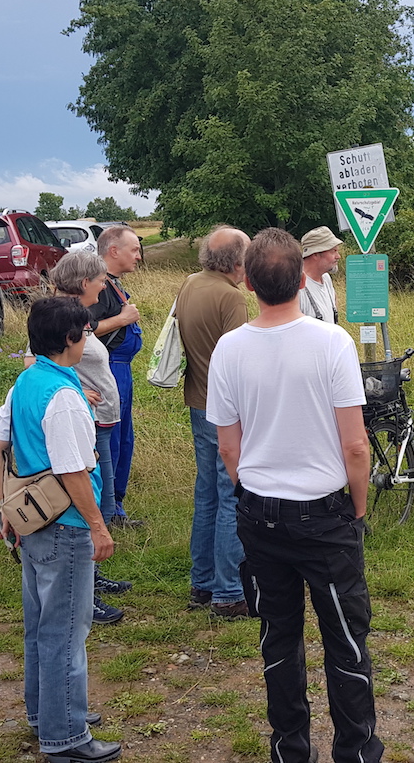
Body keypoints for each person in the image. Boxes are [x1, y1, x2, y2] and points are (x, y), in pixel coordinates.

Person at [207, 229, 382, 763]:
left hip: (260, 515)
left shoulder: (229, 349)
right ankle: (355, 752)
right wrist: (357, 508)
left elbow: (228, 448)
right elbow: (355, 445)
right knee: (346, 642)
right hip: (326, 515)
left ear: (250, 281)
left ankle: (289, 750)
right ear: (300, 277)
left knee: (277, 639)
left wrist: (253, 492)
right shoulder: (332, 344)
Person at [0, 296, 121, 763]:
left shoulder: (27, 380)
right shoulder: (64, 397)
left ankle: (47, 712)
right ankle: (66, 738)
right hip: (65, 525)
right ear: (70, 339)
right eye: (85, 332)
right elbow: (74, 471)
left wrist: (5, 504)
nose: (88, 338)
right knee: (66, 629)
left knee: (40, 625)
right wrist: (99, 527)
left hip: (33, 521)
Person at [26, 252, 133, 625]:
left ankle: (92, 579)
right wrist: (75, 389)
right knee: (94, 500)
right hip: (81, 421)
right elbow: (36, 360)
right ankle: (84, 588)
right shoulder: (60, 316)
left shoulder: (81, 317)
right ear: (84, 282)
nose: (104, 285)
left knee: (102, 493)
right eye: (100, 280)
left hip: (98, 420)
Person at [175, 226, 251, 619]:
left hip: (196, 400)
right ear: (237, 261)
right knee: (230, 497)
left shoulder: (190, 284)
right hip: (224, 410)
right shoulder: (230, 297)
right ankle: (229, 591)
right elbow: (238, 362)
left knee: (206, 493)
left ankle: (201, 583)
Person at [87, 225, 144, 527]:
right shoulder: (98, 287)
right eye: (133, 249)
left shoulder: (113, 284)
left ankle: (116, 505)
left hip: (123, 371)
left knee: (125, 439)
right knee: (111, 440)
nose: (138, 256)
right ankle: (108, 510)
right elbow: (86, 329)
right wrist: (122, 319)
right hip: (109, 369)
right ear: (113, 251)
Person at [297, 226, 341, 324]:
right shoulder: (296, 287)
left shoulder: (326, 279)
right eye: (333, 251)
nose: (338, 256)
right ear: (315, 254)